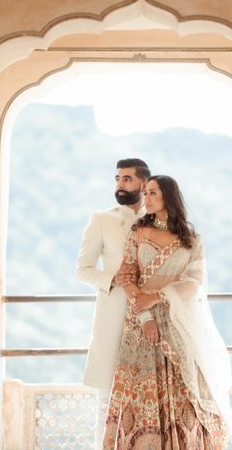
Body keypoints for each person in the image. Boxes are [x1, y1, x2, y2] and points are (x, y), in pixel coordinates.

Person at [103, 175, 232, 449]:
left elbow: (193, 283)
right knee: (142, 399)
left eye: (152, 193)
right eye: (146, 193)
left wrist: (157, 297)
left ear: (168, 198)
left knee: (185, 393)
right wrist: (146, 315)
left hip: (177, 324)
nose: (146, 198)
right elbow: (127, 276)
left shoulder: (190, 239)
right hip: (141, 326)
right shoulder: (137, 233)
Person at [75, 158, 151, 448]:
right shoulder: (101, 219)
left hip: (151, 319)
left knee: (148, 401)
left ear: (144, 184)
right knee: (106, 401)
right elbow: (82, 270)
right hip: (112, 318)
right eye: (117, 178)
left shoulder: (160, 219)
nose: (120, 184)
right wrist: (114, 278)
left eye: (127, 179)